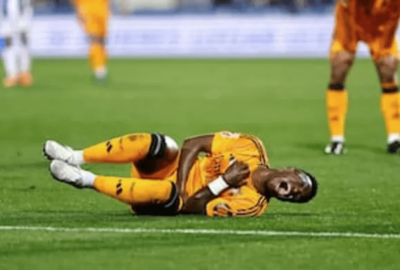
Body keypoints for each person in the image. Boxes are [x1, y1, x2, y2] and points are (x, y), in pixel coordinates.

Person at [44, 131, 318, 217]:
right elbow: (193, 144)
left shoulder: (251, 205)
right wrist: (184, 181)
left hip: (162, 201)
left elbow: (191, 209)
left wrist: (224, 181)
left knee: (170, 194)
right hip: (174, 173)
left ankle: (83, 179)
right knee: (163, 144)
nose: (294, 192)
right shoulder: (251, 146)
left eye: (296, 197)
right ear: (291, 171)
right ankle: (74, 156)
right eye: (299, 185)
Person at [325, 0, 400, 154]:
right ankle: (336, 139)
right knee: (340, 64)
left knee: (387, 68)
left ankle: (395, 137)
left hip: (381, 24)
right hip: (351, 19)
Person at [71, 0, 109, 81]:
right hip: (87, 9)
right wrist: (77, 10)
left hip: (102, 8)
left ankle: (101, 66)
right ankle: (99, 70)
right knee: (94, 39)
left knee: (101, 40)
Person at [0, 0, 33, 88]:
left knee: (23, 40)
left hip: (21, 11)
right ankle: (11, 74)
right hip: (6, 12)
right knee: (8, 42)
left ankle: (24, 72)